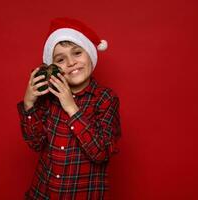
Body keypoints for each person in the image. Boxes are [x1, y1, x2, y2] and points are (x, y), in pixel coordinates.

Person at [17, 17, 121, 200]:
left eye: (77, 53)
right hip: (43, 193)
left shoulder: (105, 99)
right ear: (52, 68)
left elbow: (101, 153)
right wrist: (29, 104)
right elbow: (35, 143)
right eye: (61, 59)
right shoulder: (48, 98)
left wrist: (71, 108)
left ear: (90, 54)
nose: (71, 62)